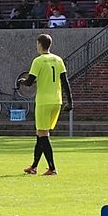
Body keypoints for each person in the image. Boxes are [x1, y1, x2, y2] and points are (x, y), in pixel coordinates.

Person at [19, 33, 74, 176]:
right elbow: (65, 82)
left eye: (37, 44)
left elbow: (30, 82)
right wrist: (70, 101)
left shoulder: (38, 61)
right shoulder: (58, 59)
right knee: (41, 134)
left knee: (43, 134)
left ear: (39, 44)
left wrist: (22, 82)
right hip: (57, 101)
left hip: (44, 101)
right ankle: (34, 167)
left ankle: (52, 168)